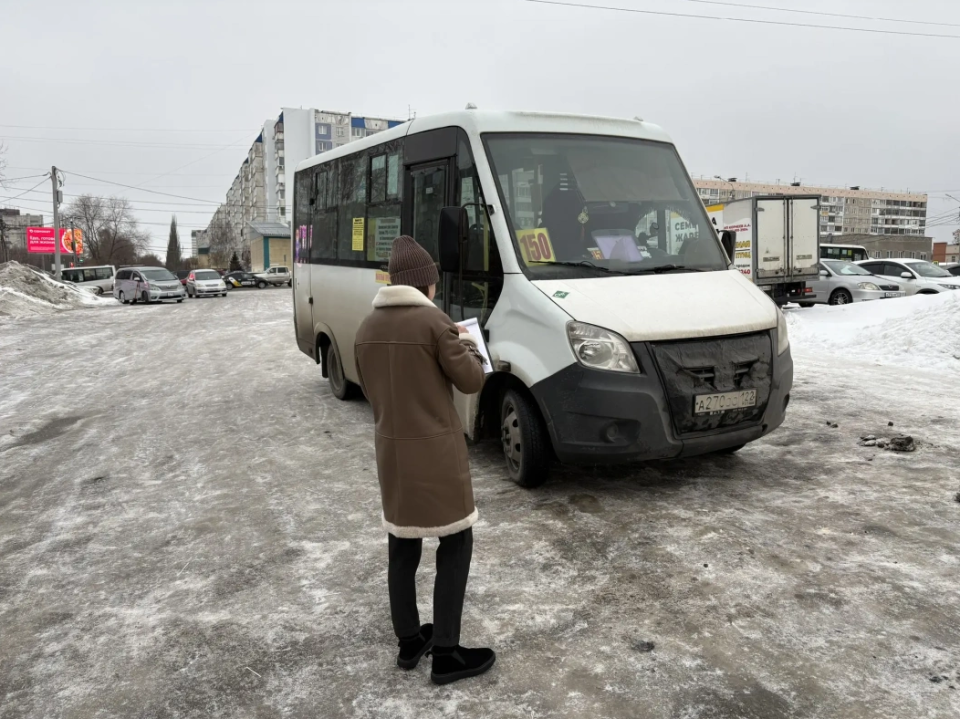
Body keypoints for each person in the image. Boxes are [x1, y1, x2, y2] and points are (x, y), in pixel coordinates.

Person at [354, 235, 496, 686]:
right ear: (425, 284)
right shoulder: (435, 324)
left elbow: (372, 387)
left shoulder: (365, 329)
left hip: (392, 453)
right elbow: (472, 382)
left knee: (403, 545)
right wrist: (467, 343)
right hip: (436, 454)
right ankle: (449, 654)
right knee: (455, 543)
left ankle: (411, 641)